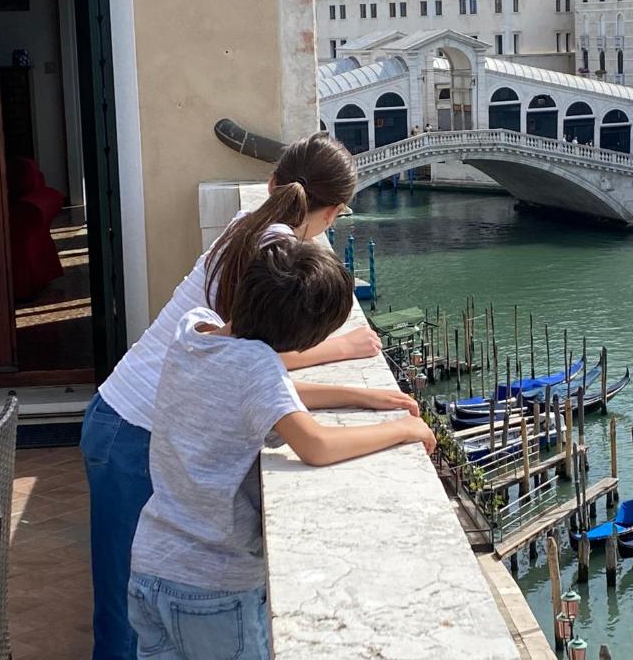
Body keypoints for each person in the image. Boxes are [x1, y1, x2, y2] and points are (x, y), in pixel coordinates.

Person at [80, 133, 413, 660]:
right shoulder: (271, 252)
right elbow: (259, 363)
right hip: (133, 431)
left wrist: (351, 384)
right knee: (121, 635)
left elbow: (243, 359)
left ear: (273, 184)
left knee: (127, 618)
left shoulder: (253, 227)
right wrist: (341, 351)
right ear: (334, 214)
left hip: (121, 416)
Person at [128, 235, 436, 660]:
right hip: (211, 586)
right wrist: (403, 430)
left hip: (151, 565)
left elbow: (270, 396)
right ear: (299, 340)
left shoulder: (194, 330)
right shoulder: (255, 366)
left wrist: (362, 396)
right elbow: (316, 445)